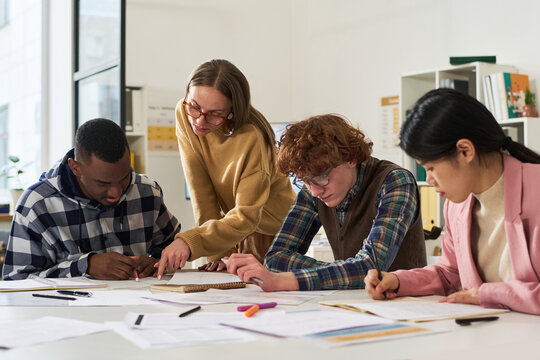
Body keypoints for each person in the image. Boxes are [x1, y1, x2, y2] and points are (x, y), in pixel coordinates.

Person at [365, 88, 540, 315]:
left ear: (465, 151)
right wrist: (398, 281)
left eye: (430, 168)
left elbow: (478, 292)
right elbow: (450, 273)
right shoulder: (457, 206)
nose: (428, 179)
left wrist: (489, 294)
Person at [226, 114, 426, 291]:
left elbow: (370, 266)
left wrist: (284, 281)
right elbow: (276, 258)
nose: (314, 190)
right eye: (304, 180)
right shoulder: (313, 189)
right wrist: (342, 272)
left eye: (321, 177)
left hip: (407, 305)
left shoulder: (395, 182)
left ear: (352, 157)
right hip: (350, 304)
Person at [155, 59, 296, 278]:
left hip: (267, 231)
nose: (200, 121)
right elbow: (200, 190)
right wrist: (215, 255)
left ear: (232, 110)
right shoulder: (184, 112)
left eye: (215, 114)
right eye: (195, 106)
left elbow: (247, 217)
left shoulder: (252, 138)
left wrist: (191, 241)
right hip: (229, 224)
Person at [3, 118, 180, 280]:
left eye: (124, 178)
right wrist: (85, 266)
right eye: (102, 183)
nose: (116, 192)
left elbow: (175, 248)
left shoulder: (147, 191)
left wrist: (156, 262)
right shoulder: (36, 206)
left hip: (141, 309)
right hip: (67, 314)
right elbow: (16, 281)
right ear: (75, 167)